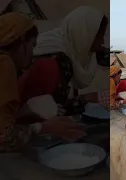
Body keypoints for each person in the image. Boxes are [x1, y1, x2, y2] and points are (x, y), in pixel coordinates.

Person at [0, 12, 84, 152]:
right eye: (32, 46)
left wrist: (22, 115)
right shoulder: (4, 63)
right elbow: (4, 138)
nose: (32, 53)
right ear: (21, 40)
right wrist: (44, 128)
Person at [18, 6, 108, 111]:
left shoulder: (66, 44)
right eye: (99, 37)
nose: (102, 42)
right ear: (85, 34)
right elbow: (50, 110)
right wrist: (86, 99)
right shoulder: (58, 61)